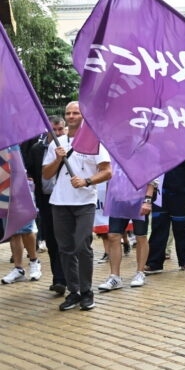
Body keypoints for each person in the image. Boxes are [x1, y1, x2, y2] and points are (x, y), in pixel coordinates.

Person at [42, 101, 112, 311]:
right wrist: (58, 158)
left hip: (84, 202)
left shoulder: (94, 141)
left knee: (82, 245)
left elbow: (107, 171)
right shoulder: (57, 142)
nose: (71, 116)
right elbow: (46, 174)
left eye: (76, 113)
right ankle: (73, 292)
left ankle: (87, 291)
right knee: (65, 248)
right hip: (60, 202)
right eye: (68, 113)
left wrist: (87, 181)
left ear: (84, 116)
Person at [23, 116, 65, 293]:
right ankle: (59, 279)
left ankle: (72, 277)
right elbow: (33, 174)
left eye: (60, 130)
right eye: (53, 130)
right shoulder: (37, 149)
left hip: (66, 200)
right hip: (46, 200)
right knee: (52, 240)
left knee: (67, 240)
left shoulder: (71, 147)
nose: (56, 133)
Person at [98, 176, 158, 291]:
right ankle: (115, 277)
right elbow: (109, 174)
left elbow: (151, 175)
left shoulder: (142, 157)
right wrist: (108, 197)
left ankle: (140, 273)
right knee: (113, 235)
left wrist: (148, 199)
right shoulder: (114, 157)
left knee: (141, 235)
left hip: (139, 198)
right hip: (118, 198)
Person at [144, 154, 185, 273]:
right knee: (158, 227)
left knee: (182, 227)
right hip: (160, 193)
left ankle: (184, 260)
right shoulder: (159, 141)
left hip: (183, 192)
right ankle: (154, 263)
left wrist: (175, 149)